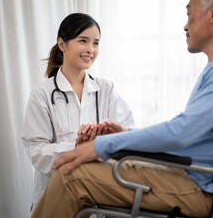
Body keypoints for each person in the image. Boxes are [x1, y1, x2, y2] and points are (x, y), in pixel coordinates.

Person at [32, 0, 213, 217]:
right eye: (82, 41)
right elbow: (188, 135)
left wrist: (100, 145)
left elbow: (180, 133)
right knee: (79, 171)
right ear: (62, 44)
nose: (185, 26)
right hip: (191, 177)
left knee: (72, 177)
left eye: (189, 15)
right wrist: (125, 135)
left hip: (195, 186)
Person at [21, 13, 134, 212]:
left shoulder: (106, 89)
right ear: (62, 44)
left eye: (96, 43)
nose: (90, 50)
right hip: (55, 198)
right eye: (83, 41)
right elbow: (37, 152)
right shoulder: (42, 94)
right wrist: (77, 148)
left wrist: (115, 135)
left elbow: (130, 137)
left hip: (99, 199)